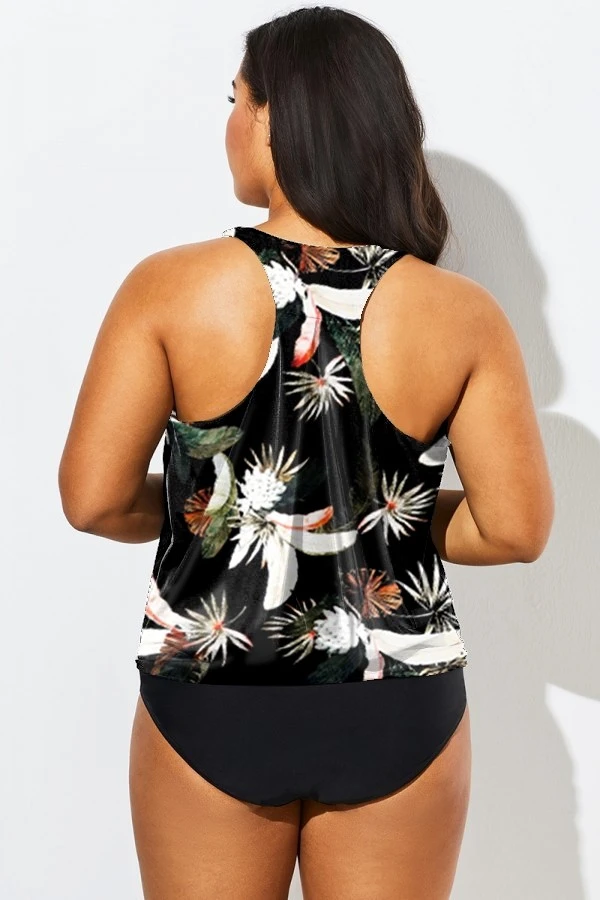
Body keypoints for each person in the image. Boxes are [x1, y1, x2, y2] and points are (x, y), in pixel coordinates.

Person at [58, 6, 554, 899]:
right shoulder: (461, 314)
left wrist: (230, 510)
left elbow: (93, 500)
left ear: (276, 116)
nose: (227, 124)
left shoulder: (167, 288)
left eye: (234, 100)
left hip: (212, 692)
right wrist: (375, 510)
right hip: (398, 700)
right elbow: (513, 528)